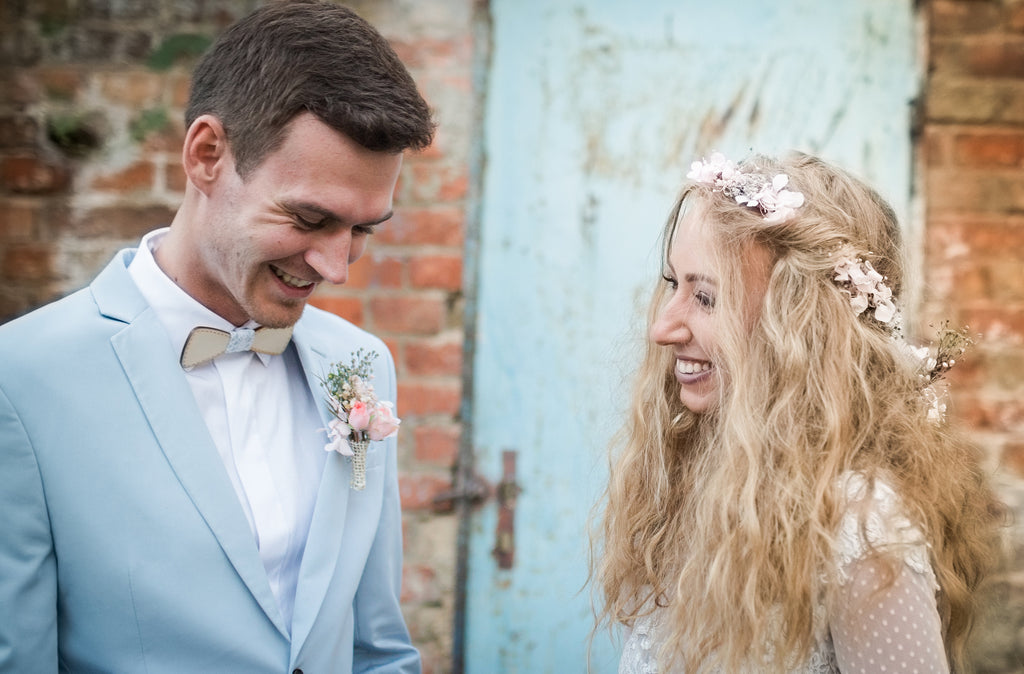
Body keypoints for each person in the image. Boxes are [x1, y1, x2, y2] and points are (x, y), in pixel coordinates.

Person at [0, 2, 433, 672]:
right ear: (207, 155)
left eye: (363, 230)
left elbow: (377, 646)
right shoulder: (23, 379)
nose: (336, 267)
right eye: (309, 217)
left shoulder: (360, 364)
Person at [595, 151, 1002, 673]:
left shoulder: (858, 524)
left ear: (801, 325)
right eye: (674, 285)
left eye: (706, 297)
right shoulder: (703, 473)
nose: (662, 328)